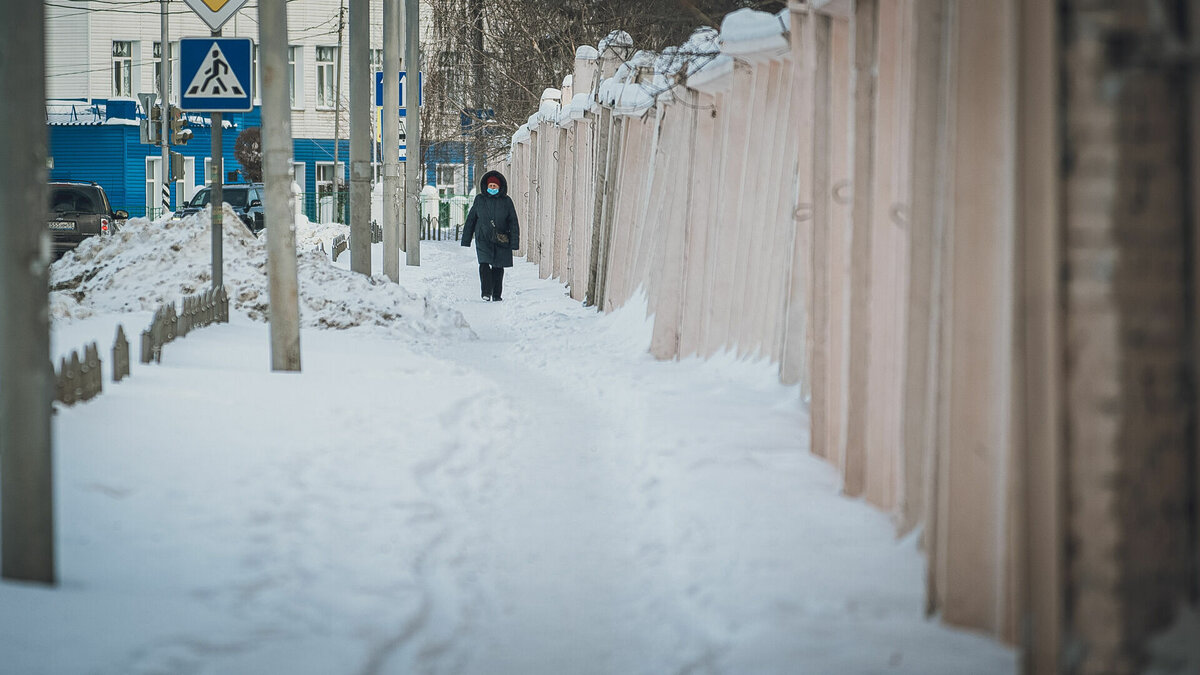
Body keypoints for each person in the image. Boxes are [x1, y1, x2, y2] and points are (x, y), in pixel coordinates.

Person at [461, 170, 520, 302]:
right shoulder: (480, 200)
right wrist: (466, 239)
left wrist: (514, 242)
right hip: (483, 238)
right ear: (486, 186)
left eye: (495, 186)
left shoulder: (506, 201)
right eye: (490, 186)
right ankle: (486, 292)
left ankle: (497, 294)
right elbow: (471, 219)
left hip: (501, 238)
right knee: (484, 264)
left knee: (498, 267)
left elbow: (513, 222)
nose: (492, 188)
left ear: (500, 187)